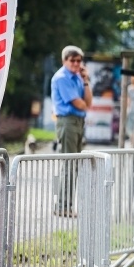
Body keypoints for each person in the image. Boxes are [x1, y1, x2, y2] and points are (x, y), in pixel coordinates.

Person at [51, 45, 92, 217]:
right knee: (69, 164)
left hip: (78, 122)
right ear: (64, 61)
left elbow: (88, 102)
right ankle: (62, 206)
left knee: (73, 165)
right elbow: (81, 104)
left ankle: (65, 205)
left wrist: (86, 80)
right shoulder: (62, 78)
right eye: (72, 60)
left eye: (78, 60)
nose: (76, 63)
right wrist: (84, 103)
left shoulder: (78, 77)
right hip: (67, 122)